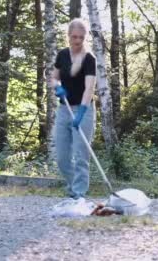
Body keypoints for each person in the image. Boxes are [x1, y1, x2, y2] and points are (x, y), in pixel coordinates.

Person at [51, 18, 97, 200]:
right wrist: (57, 87)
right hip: (64, 110)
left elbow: (89, 88)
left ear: (85, 38)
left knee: (81, 155)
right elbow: (54, 78)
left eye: (81, 37)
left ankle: (78, 194)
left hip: (83, 110)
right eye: (74, 37)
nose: (77, 41)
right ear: (68, 36)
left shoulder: (89, 59)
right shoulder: (62, 55)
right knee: (62, 157)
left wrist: (82, 112)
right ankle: (73, 186)